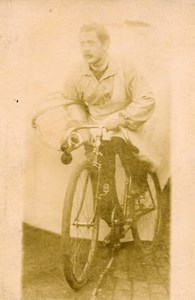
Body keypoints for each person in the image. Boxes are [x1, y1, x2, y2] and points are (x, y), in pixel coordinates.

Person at [61, 23, 155, 244]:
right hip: (95, 130)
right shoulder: (77, 72)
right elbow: (69, 100)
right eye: (82, 43)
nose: (85, 49)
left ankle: (140, 188)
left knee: (125, 150)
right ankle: (116, 224)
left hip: (126, 126)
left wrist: (120, 119)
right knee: (101, 188)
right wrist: (81, 125)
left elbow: (147, 99)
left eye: (91, 43)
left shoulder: (125, 67)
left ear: (106, 44)